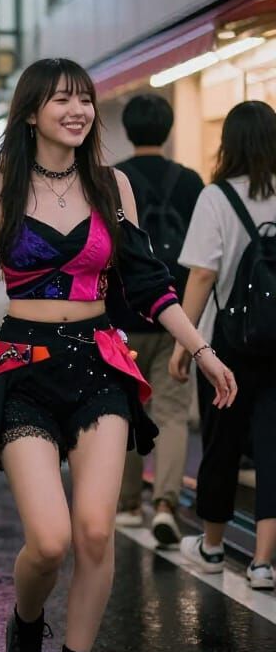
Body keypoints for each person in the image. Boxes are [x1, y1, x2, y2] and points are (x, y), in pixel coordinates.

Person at [0, 58, 235, 652]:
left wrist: (200, 348)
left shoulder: (112, 184)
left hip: (98, 362)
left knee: (95, 530)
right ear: (32, 112)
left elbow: (148, 281)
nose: (77, 109)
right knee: (52, 540)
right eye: (61, 99)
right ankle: (26, 624)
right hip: (21, 367)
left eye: (84, 99)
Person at [171, 100, 276, 590]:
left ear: (228, 143)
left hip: (225, 345)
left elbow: (202, 275)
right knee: (273, 447)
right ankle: (262, 563)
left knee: (222, 443)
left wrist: (185, 342)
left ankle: (212, 546)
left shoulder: (215, 197)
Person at [113, 94, 203, 544]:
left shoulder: (111, 180)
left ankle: (128, 504)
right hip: (173, 313)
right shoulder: (189, 182)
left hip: (122, 314)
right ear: (168, 130)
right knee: (170, 411)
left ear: (127, 130)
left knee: (127, 409)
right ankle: (166, 502)